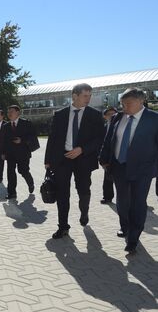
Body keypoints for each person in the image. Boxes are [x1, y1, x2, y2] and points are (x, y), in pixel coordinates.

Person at [99, 88, 158, 253]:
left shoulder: (154, 119)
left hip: (142, 169)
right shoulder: (118, 117)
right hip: (119, 166)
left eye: (128, 104)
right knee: (123, 202)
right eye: (122, 104)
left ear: (141, 101)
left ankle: (133, 238)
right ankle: (125, 227)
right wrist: (103, 159)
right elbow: (109, 139)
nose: (124, 107)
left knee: (138, 203)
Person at [45, 83, 105, 239]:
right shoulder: (60, 114)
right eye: (85, 95)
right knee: (62, 193)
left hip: (83, 159)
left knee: (83, 190)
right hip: (62, 159)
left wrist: (82, 149)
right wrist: (47, 160)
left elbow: (100, 138)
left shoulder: (95, 115)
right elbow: (52, 138)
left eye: (90, 95)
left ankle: (84, 212)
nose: (88, 99)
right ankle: (63, 227)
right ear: (75, 96)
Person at [0, 105, 38, 199]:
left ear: (18, 112)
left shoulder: (26, 123)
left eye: (11, 111)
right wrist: (3, 153)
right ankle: (12, 193)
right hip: (10, 154)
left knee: (23, 170)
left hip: (23, 153)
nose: (9, 114)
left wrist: (22, 140)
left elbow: (32, 136)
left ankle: (30, 182)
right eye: (8, 112)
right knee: (10, 173)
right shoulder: (5, 126)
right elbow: (3, 141)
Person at [100, 107, 117, 204]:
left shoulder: (121, 126)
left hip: (119, 156)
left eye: (114, 113)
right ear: (105, 116)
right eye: (109, 114)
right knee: (107, 179)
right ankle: (107, 197)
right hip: (108, 158)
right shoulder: (103, 128)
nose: (112, 116)